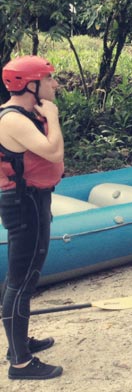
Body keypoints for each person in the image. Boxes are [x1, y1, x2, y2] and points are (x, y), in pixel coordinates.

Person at [0, 56, 64, 380]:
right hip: (23, 203)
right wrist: (52, 117)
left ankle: (19, 344)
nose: (55, 84)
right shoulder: (13, 119)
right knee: (21, 279)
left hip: (33, 200)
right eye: (48, 79)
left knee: (25, 275)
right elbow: (53, 151)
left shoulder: (25, 114)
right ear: (30, 85)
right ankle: (20, 363)